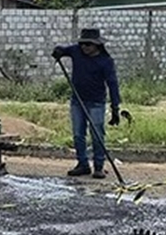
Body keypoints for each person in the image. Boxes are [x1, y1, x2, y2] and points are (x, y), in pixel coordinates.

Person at [51, 28, 122, 179]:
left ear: (97, 45)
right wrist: (58, 51)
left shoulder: (106, 62)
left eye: (88, 45)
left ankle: (98, 167)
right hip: (77, 101)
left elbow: (113, 84)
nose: (84, 47)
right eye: (83, 44)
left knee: (97, 135)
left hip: (96, 103)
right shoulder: (76, 51)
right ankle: (82, 165)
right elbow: (63, 50)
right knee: (78, 134)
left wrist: (115, 107)